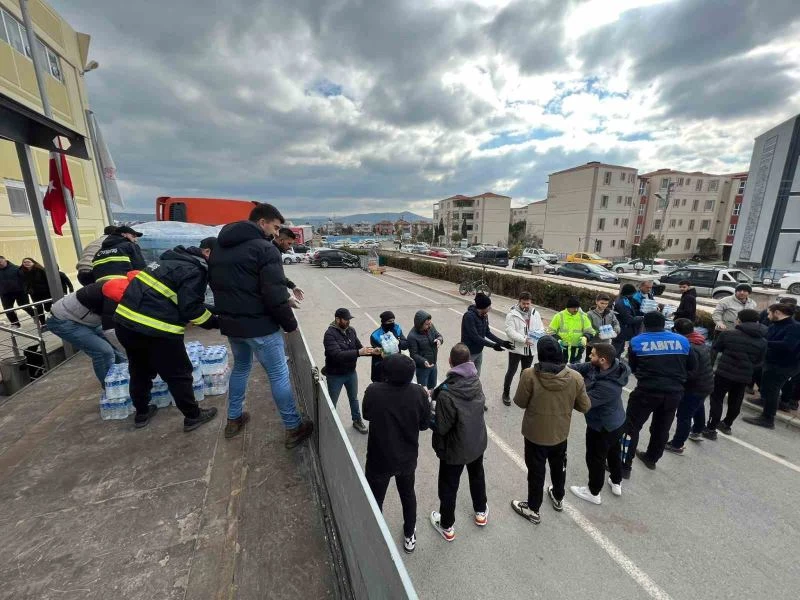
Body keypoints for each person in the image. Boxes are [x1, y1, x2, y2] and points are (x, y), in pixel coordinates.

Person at [208, 203, 313, 448]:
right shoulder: (265, 249)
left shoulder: (220, 247)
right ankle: (293, 427)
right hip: (260, 327)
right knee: (278, 374)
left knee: (241, 368)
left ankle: (233, 418)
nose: (276, 233)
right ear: (262, 222)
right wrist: (290, 324)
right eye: (275, 227)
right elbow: (274, 294)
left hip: (232, 325)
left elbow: (216, 285)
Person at [114, 245, 219, 431]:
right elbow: (191, 310)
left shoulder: (165, 262)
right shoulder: (195, 271)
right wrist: (217, 323)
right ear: (207, 253)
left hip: (125, 324)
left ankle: (142, 413)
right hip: (157, 329)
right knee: (178, 373)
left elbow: (176, 298)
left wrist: (216, 310)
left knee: (139, 369)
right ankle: (193, 416)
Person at [510, 336, 590, 524]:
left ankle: (533, 508)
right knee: (559, 466)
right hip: (560, 433)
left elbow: (520, 402)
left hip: (534, 434)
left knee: (536, 471)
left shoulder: (529, 374)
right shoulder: (575, 377)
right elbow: (584, 406)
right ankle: (558, 496)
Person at [362, 353, 430, 554]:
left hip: (379, 458)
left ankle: (375, 535)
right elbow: (424, 425)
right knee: (408, 495)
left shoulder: (374, 390)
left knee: (375, 499)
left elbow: (366, 414)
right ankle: (409, 534)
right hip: (406, 459)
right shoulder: (419, 393)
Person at [620, 311, 695, 478]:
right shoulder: (682, 341)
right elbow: (692, 366)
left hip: (646, 391)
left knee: (631, 427)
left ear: (645, 324)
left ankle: (624, 466)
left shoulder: (637, 341)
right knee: (662, 428)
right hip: (673, 393)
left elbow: (633, 367)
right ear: (664, 324)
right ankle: (651, 458)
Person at [429, 343, 489, 541]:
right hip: (476, 441)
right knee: (477, 475)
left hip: (454, 449)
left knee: (448, 486)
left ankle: (447, 525)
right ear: (469, 361)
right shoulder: (475, 380)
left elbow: (442, 427)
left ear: (450, 361)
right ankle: (481, 511)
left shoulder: (447, 394)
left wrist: (428, 415)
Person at [568, 343, 629, 505]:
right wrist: (560, 369)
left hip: (604, 427)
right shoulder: (600, 366)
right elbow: (577, 367)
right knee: (614, 452)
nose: (589, 356)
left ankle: (593, 492)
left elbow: (583, 403)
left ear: (602, 360)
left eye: (593, 354)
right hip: (616, 422)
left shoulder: (609, 387)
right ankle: (616, 480)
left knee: (595, 458)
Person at [46, 282, 126, 385]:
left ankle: (125, 379)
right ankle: (111, 388)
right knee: (103, 351)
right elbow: (110, 331)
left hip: (88, 319)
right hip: (64, 320)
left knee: (117, 350)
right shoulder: (116, 294)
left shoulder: (129, 290)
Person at [703, 309, 766, 436]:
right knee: (736, 400)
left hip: (724, 373)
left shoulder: (728, 334)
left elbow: (716, 349)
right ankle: (727, 424)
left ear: (739, 320)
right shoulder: (763, 341)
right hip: (744, 376)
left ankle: (711, 428)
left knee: (717, 399)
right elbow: (760, 361)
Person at [743, 303, 800, 429]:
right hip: (771, 361)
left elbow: (788, 346)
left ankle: (768, 418)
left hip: (784, 366)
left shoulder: (795, 327)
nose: (767, 316)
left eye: (769, 313)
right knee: (765, 384)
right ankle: (764, 400)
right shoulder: (776, 324)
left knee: (772, 390)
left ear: (777, 313)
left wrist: (765, 343)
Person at [664, 319, 714, 453]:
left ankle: (677, 444)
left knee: (684, 415)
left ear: (676, 331)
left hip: (694, 387)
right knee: (698, 407)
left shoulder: (689, 347)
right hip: (706, 383)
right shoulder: (699, 341)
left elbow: (691, 372)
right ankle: (697, 430)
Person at [323, 308, 375, 434]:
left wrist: (374, 351)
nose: (348, 322)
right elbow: (337, 355)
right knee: (332, 402)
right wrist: (358, 352)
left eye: (349, 319)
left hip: (351, 372)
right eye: (346, 319)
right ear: (337, 319)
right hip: (335, 375)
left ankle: (357, 420)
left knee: (353, 398)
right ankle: (328, 424)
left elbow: (360, 348)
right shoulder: (329, 335)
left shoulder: (351, 331)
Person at [503, 291, 544, 405]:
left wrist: (539, 334)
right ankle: (505, 393)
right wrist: (524, 339)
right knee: (511, 371)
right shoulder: (512, 314)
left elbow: (541, 327)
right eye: (523, 303)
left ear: (531, 302)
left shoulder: (535, 313)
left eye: (528, 303)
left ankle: (521, 394)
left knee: (525, 373)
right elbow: (509, 331)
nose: (526, 306)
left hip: (530, 349)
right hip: (517, 348)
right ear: (519, 302)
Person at [460, 293, 511, 377]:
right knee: (467, 378)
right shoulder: (469, 316)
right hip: (469, 353)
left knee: (476, 376)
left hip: (479, 352)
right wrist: (493, 345)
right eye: (489, 306)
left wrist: (502, 343)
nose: (490, 308)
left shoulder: (484, 316)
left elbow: (487, 333)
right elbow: (475, 337)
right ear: (483, 307)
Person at [20, 258, 71, 324]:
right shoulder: (22, 272)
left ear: (33, 262)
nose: (26, 263)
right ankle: (43, 324)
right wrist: (27, 290)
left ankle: (56, 319)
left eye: (28, 262)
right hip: (34, 294)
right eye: (24, 262)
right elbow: (23, 283)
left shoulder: (40, 270)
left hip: (45, 292)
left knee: (47, 308)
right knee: (39, 309)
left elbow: (48, 280)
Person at [546, 296, 595, 364]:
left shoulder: (583, 317)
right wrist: (558, 340)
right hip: (561, 353)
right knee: (559, 370)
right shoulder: (559, 316)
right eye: (573, 308)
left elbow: (591, 332)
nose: (576, 310)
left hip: (576, 354)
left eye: (577, 308)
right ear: (568, 307)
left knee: (575, 370)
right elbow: (550, 332)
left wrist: (585, 337)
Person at [407, 310, 444, 390]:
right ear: (420, 325)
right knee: (423, 389)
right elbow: (413, 354)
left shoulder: (431, 326)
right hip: (422, 368)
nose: (429, 325)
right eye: (427, 324)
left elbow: (438, 335)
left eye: (430, 323)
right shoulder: (412, 336)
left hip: (433, 364)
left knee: (432, 386)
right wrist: (423, 361)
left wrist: (439, 340)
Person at [369, 311, 409, 383]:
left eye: (393, 321)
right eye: (389, 321)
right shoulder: (375, 335)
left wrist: (398, 342)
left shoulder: (397, 329)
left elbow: (405, 345)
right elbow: (378, 352)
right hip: (382, 367)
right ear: (383, 322)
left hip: (397, 364)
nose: (392, 323)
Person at [273, 227, 305, 304]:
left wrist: (292, 286)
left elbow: (278, 275)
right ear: (281, 240)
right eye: (289, 243)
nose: (290, 247)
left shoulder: (275, 251)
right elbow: (272, 279)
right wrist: (287, 297)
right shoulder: (272, 252)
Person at [0, 256, 34, 327]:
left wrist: (26, 289)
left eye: (0, 261)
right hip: (5, 293)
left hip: (20, 292)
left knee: (26, 306)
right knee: (8, 309)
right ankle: (15, 324)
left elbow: (25, 280)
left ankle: (36, 317)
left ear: (5, 260)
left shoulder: (16, 268)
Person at [586, 293, 620, 361]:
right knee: (590, 362)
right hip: (593, 344)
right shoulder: (589, 314)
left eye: (606, 304)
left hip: (605, 344)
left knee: (602, 362)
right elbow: (588, 328)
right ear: (596, 302)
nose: (604, 305)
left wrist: (616, 330)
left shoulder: (610, 313)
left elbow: (616, 323)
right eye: (602, 303)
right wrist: (599, 332)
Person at [613, 283, 643, 357]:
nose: (633, 296)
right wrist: (642, 317)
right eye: (632, 294)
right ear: (628, 294)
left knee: (619, 351)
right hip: (620, 331)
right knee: (615, 352)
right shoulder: (621, 303)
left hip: (622, 331)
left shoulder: (624, 300)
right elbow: (628, 319)